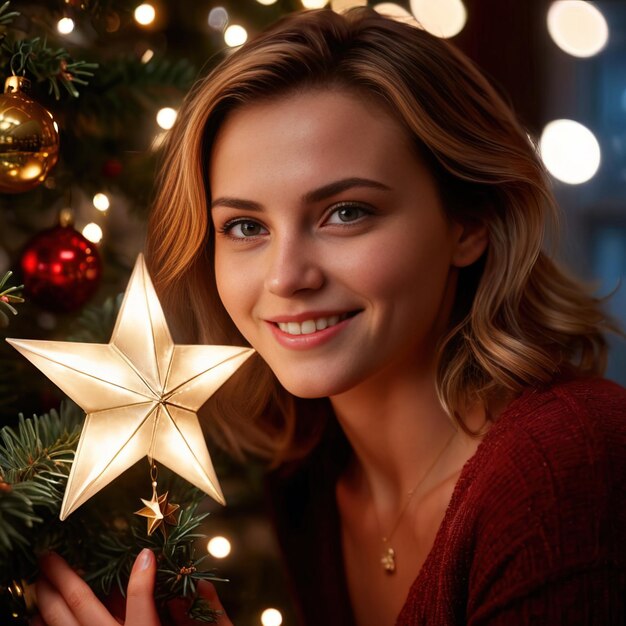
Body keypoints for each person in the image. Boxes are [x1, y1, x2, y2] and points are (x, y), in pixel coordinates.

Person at [32, 7, 625, 626]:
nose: (287, 277)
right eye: (245, 226)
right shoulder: (307, 480)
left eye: (346, 212)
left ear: (469, 222)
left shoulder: (571, 463)